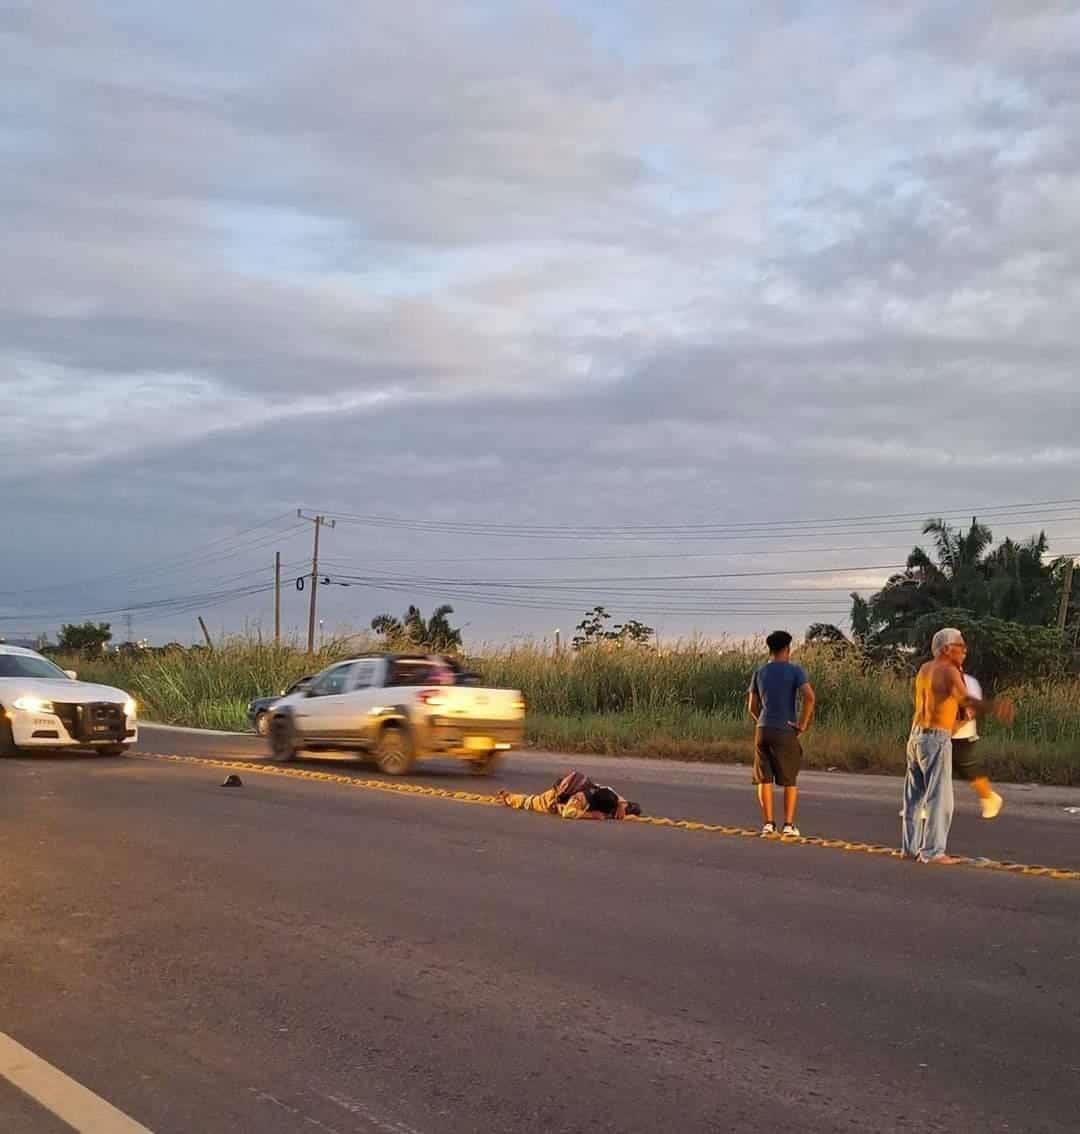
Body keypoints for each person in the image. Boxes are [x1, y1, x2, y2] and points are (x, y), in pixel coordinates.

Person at [903, 628, 1014, 863]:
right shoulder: (949, 670)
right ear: (946, 649)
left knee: (914, 797)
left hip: (915, 737)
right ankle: (933, 852)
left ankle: (910, 849)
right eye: (960, 646)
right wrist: (995, 708)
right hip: (935, 738)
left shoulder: (925, 668)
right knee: (938, 798)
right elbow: (964, 699)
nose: (965, 650)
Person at [747, 630, 816, 837]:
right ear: (787, 649)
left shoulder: (760, 672)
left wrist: (762, 720)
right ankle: (788, 824)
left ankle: (768, 824)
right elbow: (809, 697)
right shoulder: (795, 671)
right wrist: (801, 724)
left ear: (770, 649)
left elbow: (751, 705)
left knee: (764, 778)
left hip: (762, 729)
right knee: (789, 779)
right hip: (785, 729)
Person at [953, 670, 1004, 820]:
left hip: (962, 734)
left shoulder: (969, 682)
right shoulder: (936, 677)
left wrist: (953, 727)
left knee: (968, 770)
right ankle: (924, 804)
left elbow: (970, 711)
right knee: (931, 767)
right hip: (941, 732)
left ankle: (989, 798)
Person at [496, 771, 642, 821]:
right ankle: (507, 797)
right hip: (554, 798)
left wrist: (621, 806)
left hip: (575, 789)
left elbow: (610, 790)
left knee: (635, 808)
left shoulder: (602, 791)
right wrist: (592, 816)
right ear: (595, 807)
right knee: (530, 803)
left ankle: (508, 797)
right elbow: (568, 813)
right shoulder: (580, 799)